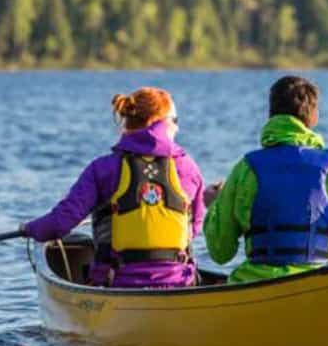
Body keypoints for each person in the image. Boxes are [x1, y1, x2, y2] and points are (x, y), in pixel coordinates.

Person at [203, 75, 328, 283]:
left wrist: (215, 207)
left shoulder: (245, 170)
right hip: (320, 284)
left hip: (254, 283)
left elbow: (220, 251)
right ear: (314, 117)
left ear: (271, 115)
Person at [21, 87, 205, 288]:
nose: (177, 128)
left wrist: (29, 229)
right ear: (159, 122)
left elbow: (60, 223)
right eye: (175, 121)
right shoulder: (188, 167)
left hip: (118, 282)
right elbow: (193, 228)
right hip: (178, 282)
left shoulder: (102, 168)